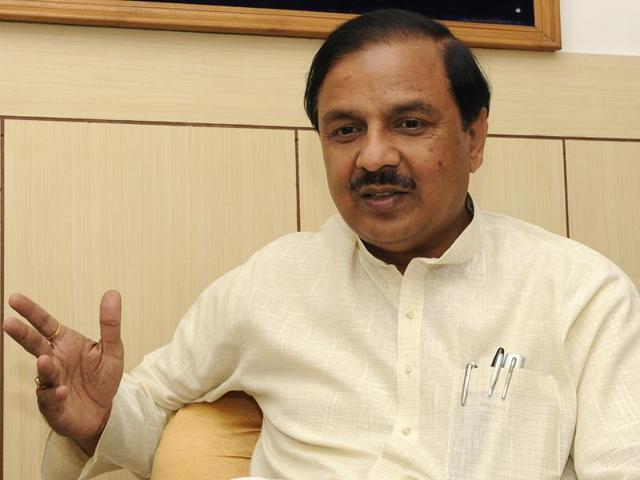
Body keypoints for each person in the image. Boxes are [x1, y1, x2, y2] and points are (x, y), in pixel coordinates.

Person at [3, 9, 640, 480]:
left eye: (409, 124)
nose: (373, 156)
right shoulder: (273, 282)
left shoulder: (580, 293)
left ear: (475, 140)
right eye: (344, 130)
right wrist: (99, 417)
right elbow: (151, 422)